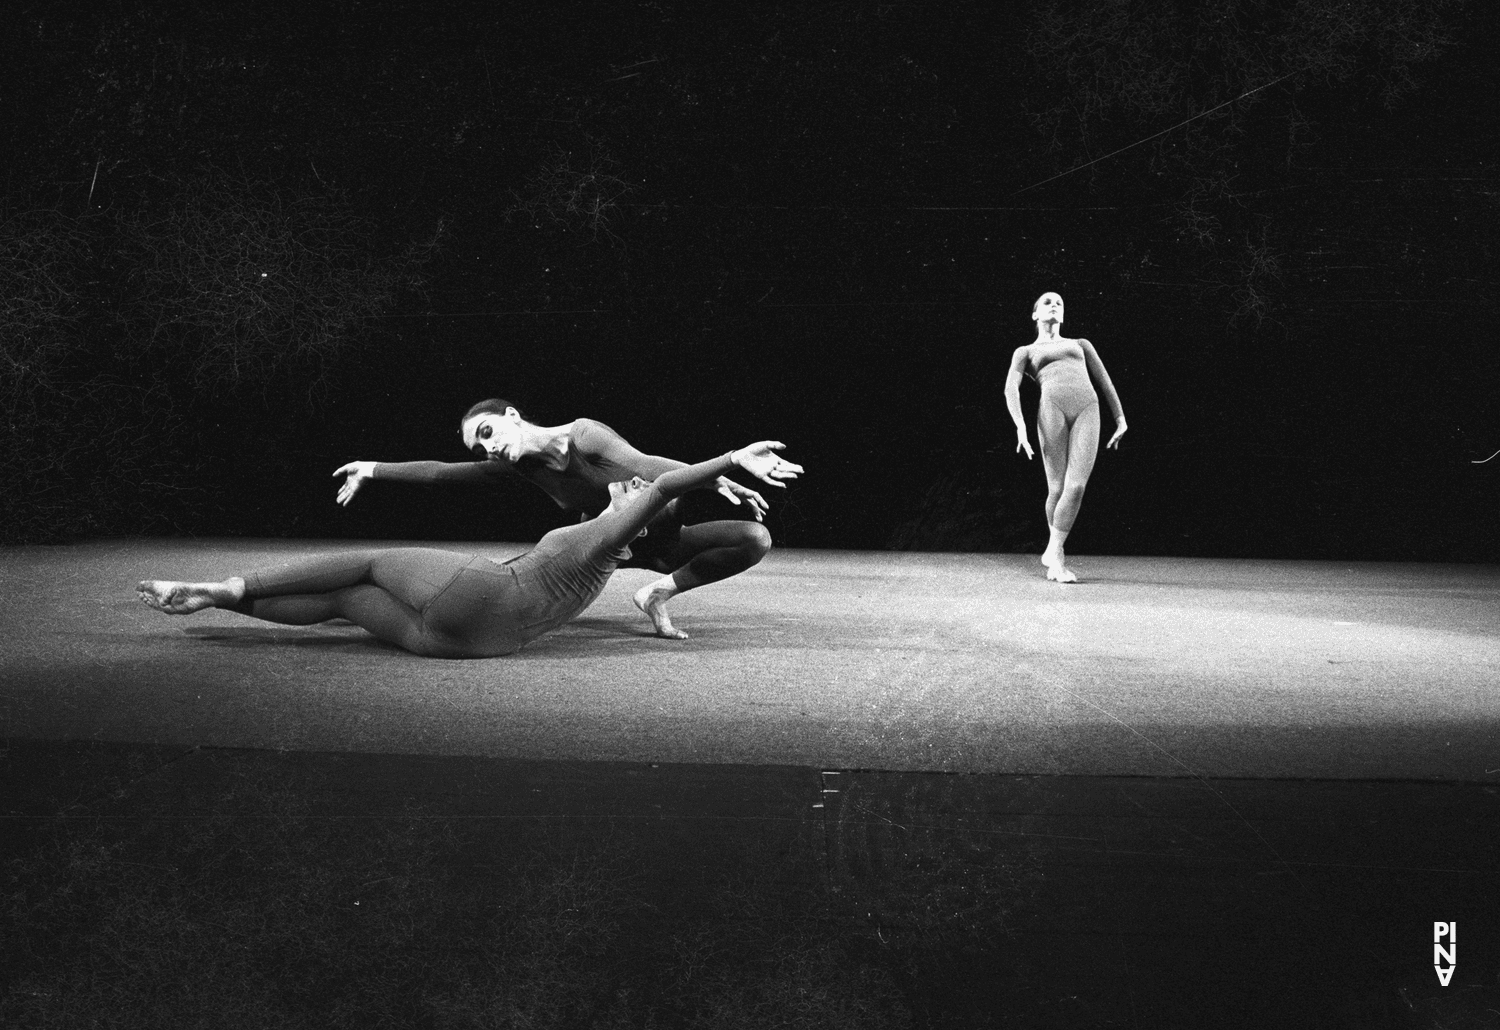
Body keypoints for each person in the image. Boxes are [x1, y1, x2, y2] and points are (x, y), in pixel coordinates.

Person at [138, 441, 803, 659]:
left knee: (369, 563)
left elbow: (661, 482)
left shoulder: (605, 538)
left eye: (629, 494)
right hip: (471, 643)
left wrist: (728, 459)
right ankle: (213, 602)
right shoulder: (600, 557)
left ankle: (225, 587)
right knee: (343, 600)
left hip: (487, 592)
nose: (625, 489)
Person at [333, 401, 776, 639]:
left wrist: (715, 477)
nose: (486, 448)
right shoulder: (514, 466)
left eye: (486, 433)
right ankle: (364, 603)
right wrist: (371, 468)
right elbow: (441, 472)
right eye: (477, 447)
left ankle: (656, 595)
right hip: (602, 552)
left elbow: (643, 463)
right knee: (498, 594)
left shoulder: (583, 435)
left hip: (666, 544)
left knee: (754, 538)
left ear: (511, 416)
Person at [1004, 292, 1127, 583]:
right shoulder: (1025, 351)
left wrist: (1120, 418)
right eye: (1047, 302)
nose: (1054, 305)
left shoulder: (1080, 344)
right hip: (1052, 411)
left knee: (1077, 487)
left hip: (1088, 408)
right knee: (1057, 488)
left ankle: (1053, 548)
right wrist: (1020, 425)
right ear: (1035, 314)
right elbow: (1011, 389)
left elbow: (1105, 381)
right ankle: (1057, 563)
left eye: (1059, 303)